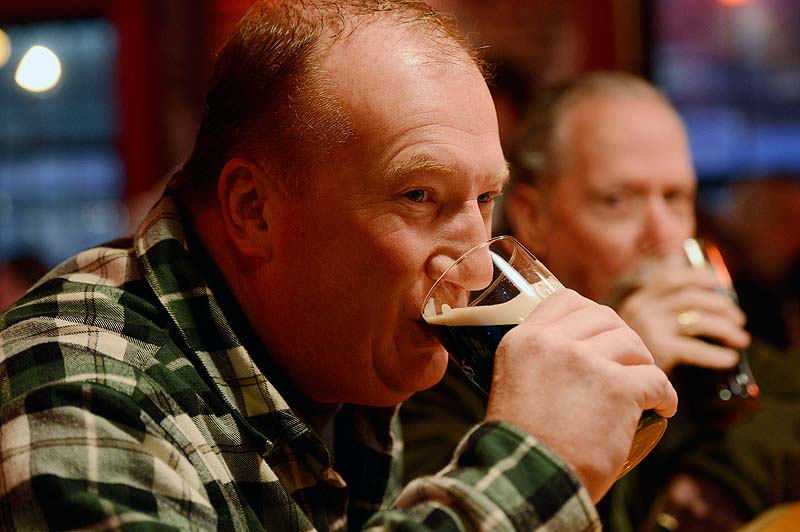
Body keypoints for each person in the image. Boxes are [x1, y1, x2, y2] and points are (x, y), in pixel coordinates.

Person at [0, 4, 677, 531]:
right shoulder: (75, 381)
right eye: (419, 196)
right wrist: (534, 467)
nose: (474, 270)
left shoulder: (336, 357)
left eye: (485, 199)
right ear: (253, 209)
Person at [401, 71, 800, 531]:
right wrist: (622, 370)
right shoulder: (448, 365)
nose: (662, 235)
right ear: (534, 218)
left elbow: (787, 406)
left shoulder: (701, 335)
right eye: (617, 201)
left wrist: (712, 485)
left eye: (675, 198)